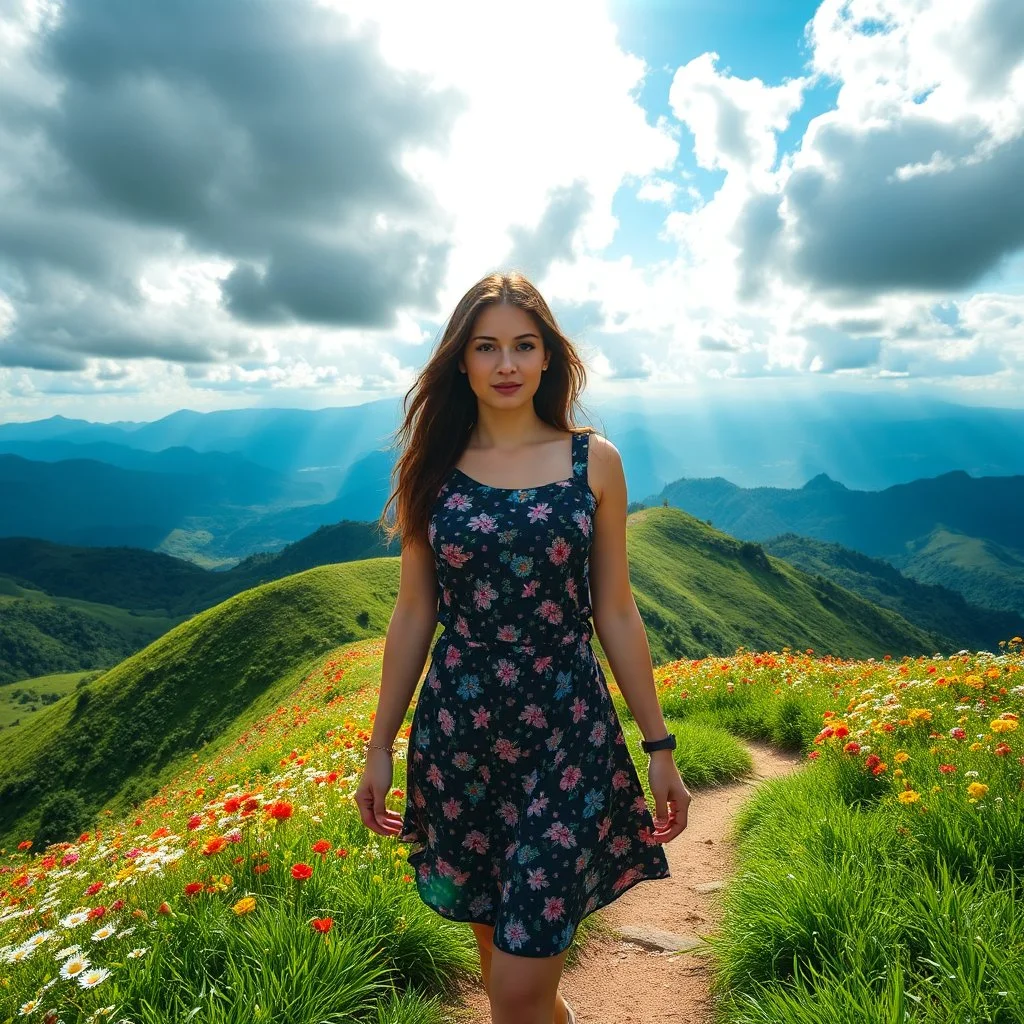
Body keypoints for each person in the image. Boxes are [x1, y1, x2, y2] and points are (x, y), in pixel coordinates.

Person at [356, 270, 691, 1024]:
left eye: (523, 345)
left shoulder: (591, 461)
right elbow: (414, 613)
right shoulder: (431, 471)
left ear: (548, 358)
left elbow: (616, 609)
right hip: (460, 740)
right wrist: (380, 745)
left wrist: (659, 744)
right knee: (507, 971)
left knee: (513, 992)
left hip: (568, 734)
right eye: (486, 347)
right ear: (462, 361)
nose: (506, 363)